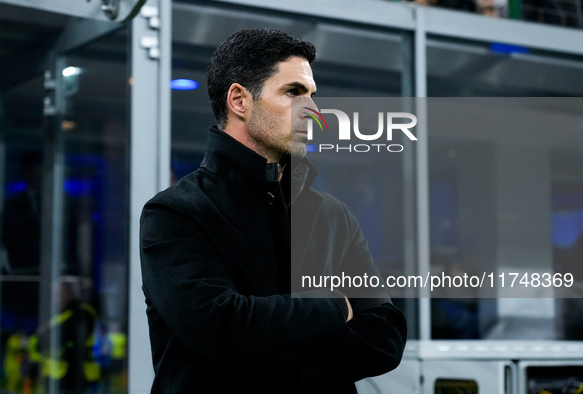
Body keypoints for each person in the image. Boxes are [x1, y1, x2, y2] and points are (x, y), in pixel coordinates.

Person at [140, 28, 407, 393]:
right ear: (239, 100)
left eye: (312, 95)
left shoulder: (333, 215)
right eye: (293, 92)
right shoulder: (175, 213)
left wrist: (267, 362)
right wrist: (335, 307)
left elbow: (386, 334)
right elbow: (219, 328)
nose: (312, 110)